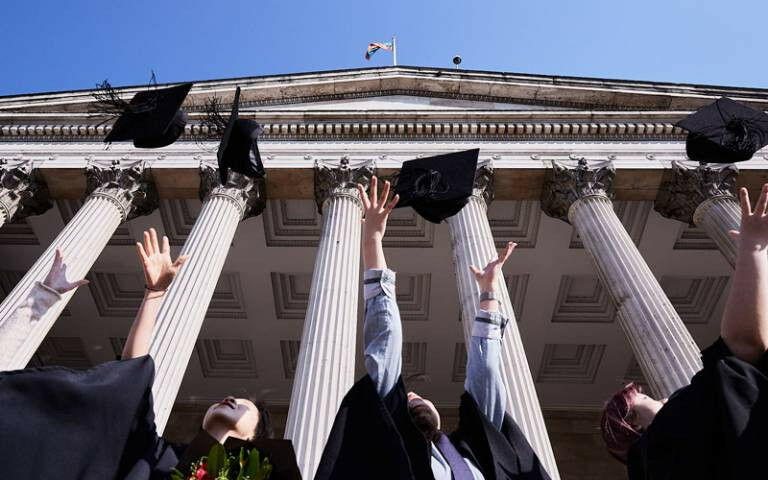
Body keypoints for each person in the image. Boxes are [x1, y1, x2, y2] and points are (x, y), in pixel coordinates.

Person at [0, 228, 298, 480]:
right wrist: (154, 294)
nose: (231, 399)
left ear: (253, 439)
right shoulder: (155, 456)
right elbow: (127, 384)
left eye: (244, 406)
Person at [315, 176, 551, 480]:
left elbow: (487, 375)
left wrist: (489, 295)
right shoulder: (392, 443)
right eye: (409, 398)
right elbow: (384, 342)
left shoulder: (477, 451)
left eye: (416, 397)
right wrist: (372, 240)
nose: (412, 396)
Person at [601, 185, 768, 479]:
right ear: (635, 425)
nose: (664, 397)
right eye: (647, 400)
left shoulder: (653, 467)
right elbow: (742, 346)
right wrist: (753, 249)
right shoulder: (677, 427)